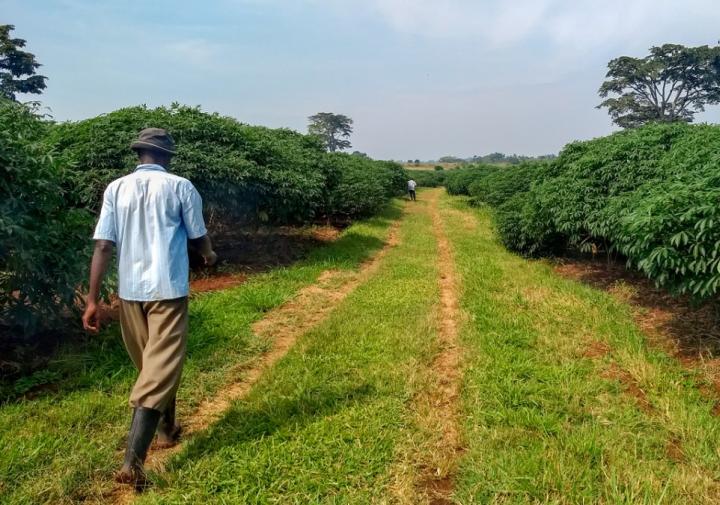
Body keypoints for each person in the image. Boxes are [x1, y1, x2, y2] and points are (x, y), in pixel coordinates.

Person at [81, 128, 217, 489]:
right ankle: (132, 463)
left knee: (151, 367)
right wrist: (209, 254)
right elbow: (197, 235)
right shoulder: (180, 186)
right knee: (157, 370)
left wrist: (93, 300)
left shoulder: (116, 188)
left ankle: (168, 430)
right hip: (167, 290)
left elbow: (103, 247)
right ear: (167, 156)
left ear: (139, 154)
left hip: (129, 293)